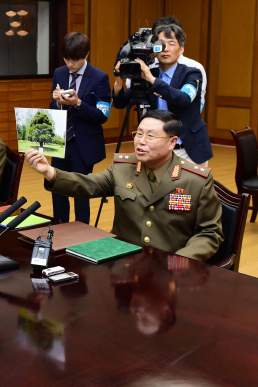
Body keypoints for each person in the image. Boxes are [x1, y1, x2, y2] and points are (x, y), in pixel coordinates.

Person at [25, 110, 223, 262]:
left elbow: (209, 233)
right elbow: (89, 185)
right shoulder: (123, 168)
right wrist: (49, 172)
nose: (140, 142)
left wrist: (178, 263)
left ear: (172, 142)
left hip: (168, 268)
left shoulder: (196, 180)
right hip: (123, 262)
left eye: (150, 136)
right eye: (138, 134)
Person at [113, 24, 212, 166]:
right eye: (160, 44)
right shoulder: (149, 74)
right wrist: (118, 81)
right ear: (154, 50)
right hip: (158, 150)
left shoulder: (192, 73)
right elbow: (120, 102)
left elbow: (183, 99)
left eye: (171, 43)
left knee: (191, 188)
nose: (165, 48)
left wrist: (152, 80)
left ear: (181, 49)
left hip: (188, 150)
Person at [50, 32, 112, 224]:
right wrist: (57, 102)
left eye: (75, 60)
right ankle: (59, 229)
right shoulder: (59, 73)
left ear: (86, 55)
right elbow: (53, 108)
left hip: (83, 144)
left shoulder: (100, 77)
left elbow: (102, 115)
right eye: (66, 59)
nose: (70, 64)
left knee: (80, 192)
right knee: (57, 187)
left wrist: (78, 103)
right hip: (60, 141)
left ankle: (81, 234)